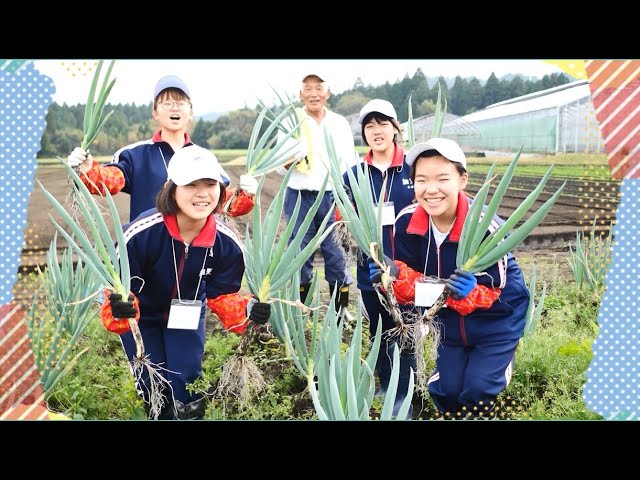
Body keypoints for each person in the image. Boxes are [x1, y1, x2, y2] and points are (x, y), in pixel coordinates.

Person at [99, 145, 271, 420]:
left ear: (221, 189)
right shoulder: (141, 234)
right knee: (150, 379)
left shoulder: (226, 242)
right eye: (191, 184)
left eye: (210, 183)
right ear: (172, 189)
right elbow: (115, 289)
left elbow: (222, 295)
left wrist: (249, 311)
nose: (202, 193)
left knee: (188, 376)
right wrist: (118, 308)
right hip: (143, 315)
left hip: (188, 312)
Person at [368, 138, 530, 419]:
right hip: (449, 324)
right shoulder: (407, 223)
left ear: (462, 180)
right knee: (446, 391)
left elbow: (494, 291)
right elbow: (410, 278)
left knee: (478, 389)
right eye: (421, 180)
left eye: (443, 178)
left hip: (496, 322)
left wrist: (471, 292)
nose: (431, 190)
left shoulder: (484, 227)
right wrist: (392, 276)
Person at [66, 74, 256, 222]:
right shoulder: (135, 155)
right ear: (155, 112)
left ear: (191, 112)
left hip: (194, 252)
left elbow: (224, 203)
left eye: (181, 103)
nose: (175, 108)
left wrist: (246, 194)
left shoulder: (203, 158)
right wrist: (87, 168)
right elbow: (110, 181)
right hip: (148, 248)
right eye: (167, 103)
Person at [343, 99, 416, 415]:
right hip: (369, 272)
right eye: (369, 126)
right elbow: (343, 221)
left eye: (383, 123)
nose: (376, 131)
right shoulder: (354, 175)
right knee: (381, 330)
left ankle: (408, 395)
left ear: (395, 128)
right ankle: (388, 389)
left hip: (408, 271)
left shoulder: (413, 169)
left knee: (407, 332)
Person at [276, 73, 357, 315]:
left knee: (337, 252)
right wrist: (295, 159)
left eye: (318, 88)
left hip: (333, 196)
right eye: (307, 88)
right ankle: (302, 307)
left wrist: (349, 197)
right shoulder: (291, 122)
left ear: (327, 93)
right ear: (300, 94)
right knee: (300, 252)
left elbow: (350, 162)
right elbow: (280, 165)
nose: (313, 93)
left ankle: (339, 309)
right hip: (300, 196)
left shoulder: (339, 123)